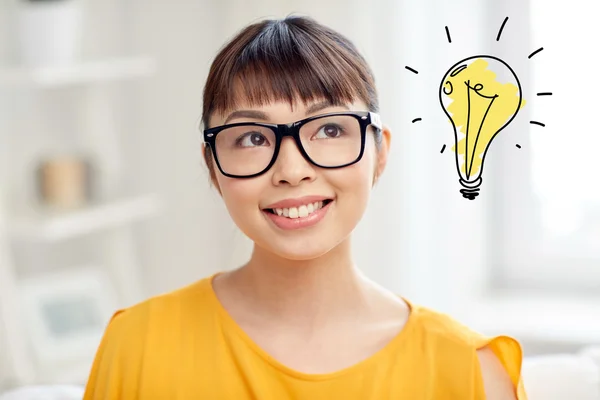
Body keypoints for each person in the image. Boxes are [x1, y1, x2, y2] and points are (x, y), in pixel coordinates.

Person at [83, 14, 526, 400]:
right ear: (213, 167)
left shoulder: (470, 371)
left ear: (380, 153)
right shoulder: (136, 347)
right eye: (253, 138)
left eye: (330, 130)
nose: (292, 170)